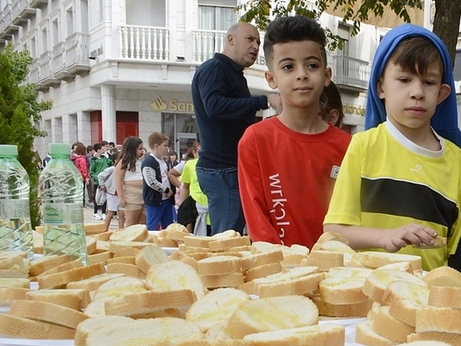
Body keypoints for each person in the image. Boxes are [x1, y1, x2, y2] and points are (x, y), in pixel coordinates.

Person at [324, 24, 461, 273]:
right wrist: (385, 237)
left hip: (428, 300)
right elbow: (334, 233)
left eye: (428, 82)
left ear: (442, 93)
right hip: (369, 295)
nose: (417, 92)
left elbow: (460, 251)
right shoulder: (363, 147)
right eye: (404, 80)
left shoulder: (459, 163)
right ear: (381, 87)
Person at [238, 15, 352, 249]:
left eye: (312, 65)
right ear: (271, 78)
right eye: (288, 67)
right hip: (280, 272)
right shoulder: (256, 140)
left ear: (327, 75)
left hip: (336, 270)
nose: (302, 74)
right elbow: (258, 222)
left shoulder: (349, 146)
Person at [192, 22, 281, 235]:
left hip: (228, 169)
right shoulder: (215, 68)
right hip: (222, 170)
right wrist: (264, 100)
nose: (256, 46)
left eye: (258, 42)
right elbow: (214, 107)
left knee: (231, 237)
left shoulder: (231, 72)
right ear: (230, 40)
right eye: (250, 39)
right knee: (226, 240)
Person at [141, 132, 174, 231]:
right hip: (155, 201)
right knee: (152, 226)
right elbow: (151, 181)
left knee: (168, 227)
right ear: (156, 146)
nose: (167, 149)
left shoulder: (163, 161)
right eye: (165, 146)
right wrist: (167, 190)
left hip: (167, 200)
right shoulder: (148, 162)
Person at [114, 137, 146, 227]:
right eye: (140, 149)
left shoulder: (141, 161)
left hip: (144, 193)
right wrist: (121, 197)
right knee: (131, 222)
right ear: (132, 149)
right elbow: (118, 180)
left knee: (143, 223)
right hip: (131, 193)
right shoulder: (123, 161)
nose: (142, 151)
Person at [89, 142, 113, 220]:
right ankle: (95, 212)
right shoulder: (94, 160)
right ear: (98, 150)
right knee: (97, 197)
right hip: (97, 182)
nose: (104, 150)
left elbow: (111, 163)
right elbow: (92, 171)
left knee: (104, 197)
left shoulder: (105, 158)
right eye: (102, 149)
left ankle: (103, 212)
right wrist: (97, 177)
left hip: (105, 181)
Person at [71, 143, 90, 208]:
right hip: (81, 177)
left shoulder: (75, 158)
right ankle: (82, 203)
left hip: (77, 176)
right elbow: (83, 168)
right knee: (82, 190)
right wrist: (86, 177)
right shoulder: (82, 158)